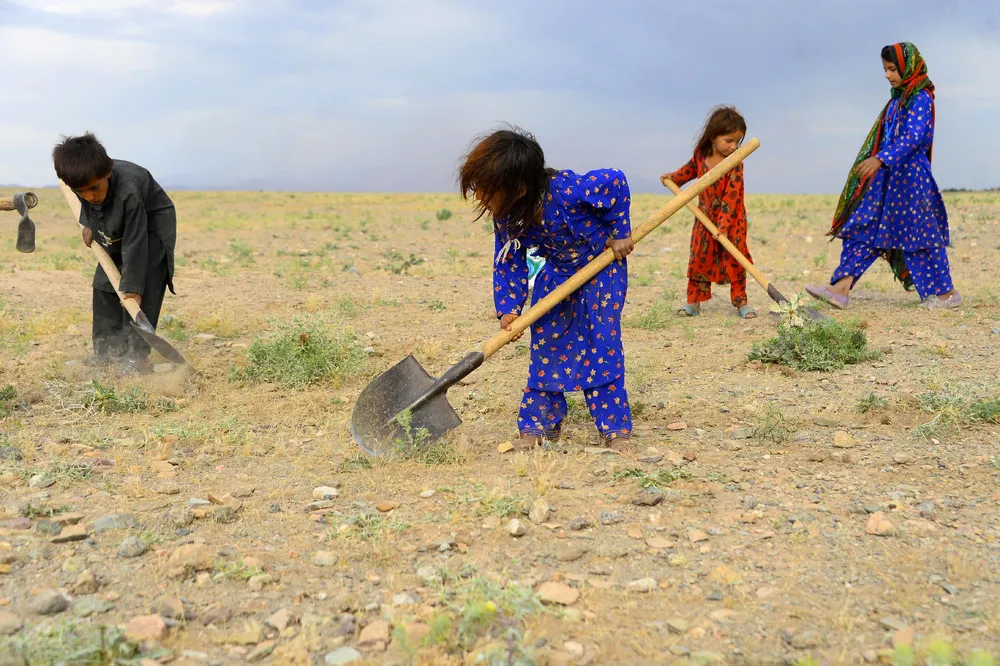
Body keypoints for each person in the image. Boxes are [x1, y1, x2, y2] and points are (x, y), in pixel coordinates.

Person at [459, 126, 634, 451]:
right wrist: (509, 309)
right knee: (548, 345)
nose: (481, 196)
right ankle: (539, 425)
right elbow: (509, 260)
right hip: (557, 274)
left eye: (487, 189)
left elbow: (616, 180)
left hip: (600, 270)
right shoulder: (507, 216)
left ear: (520, 188)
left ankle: (614, 429)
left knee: (601, 342)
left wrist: (621, 232)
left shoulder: (569, 189)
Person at [806, 42, 960, 309]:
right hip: (887, 180)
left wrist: (880, 158)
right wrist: (880, 162)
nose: (887, 75)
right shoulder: (897, 100)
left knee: (919, 235)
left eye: (892, 69)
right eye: (885, 69)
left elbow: (914, 137)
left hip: (912, 180)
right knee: (864, 226)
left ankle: (946, 294)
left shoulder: (920, 98)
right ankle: (840, 289)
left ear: (908, 67)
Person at [53, 132, 177, 373]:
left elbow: (135, 241)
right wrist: (88, 223)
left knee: (140, 289)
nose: (89, 196)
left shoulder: (128, 190)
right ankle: (108, 352)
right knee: (104, 284)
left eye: (93, 188)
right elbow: (86, 203)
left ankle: (137, 358)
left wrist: (133, 288)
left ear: (107, 174)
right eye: (81, 191)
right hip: (114, 225)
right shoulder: (85, 182)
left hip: (150, 229)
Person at [660, 106, 755, 319]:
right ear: (713, 136)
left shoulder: (735, 164)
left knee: (735, 259)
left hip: (732, 220)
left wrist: (722, 227)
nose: (734, 146)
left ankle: (741, 302)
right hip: (704, 218)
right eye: (728, 141)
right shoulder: (701, 156)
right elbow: (689, 170)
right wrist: (672, 178)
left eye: (737, 142)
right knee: (699, 259)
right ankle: (694, 302)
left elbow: (731, 198)